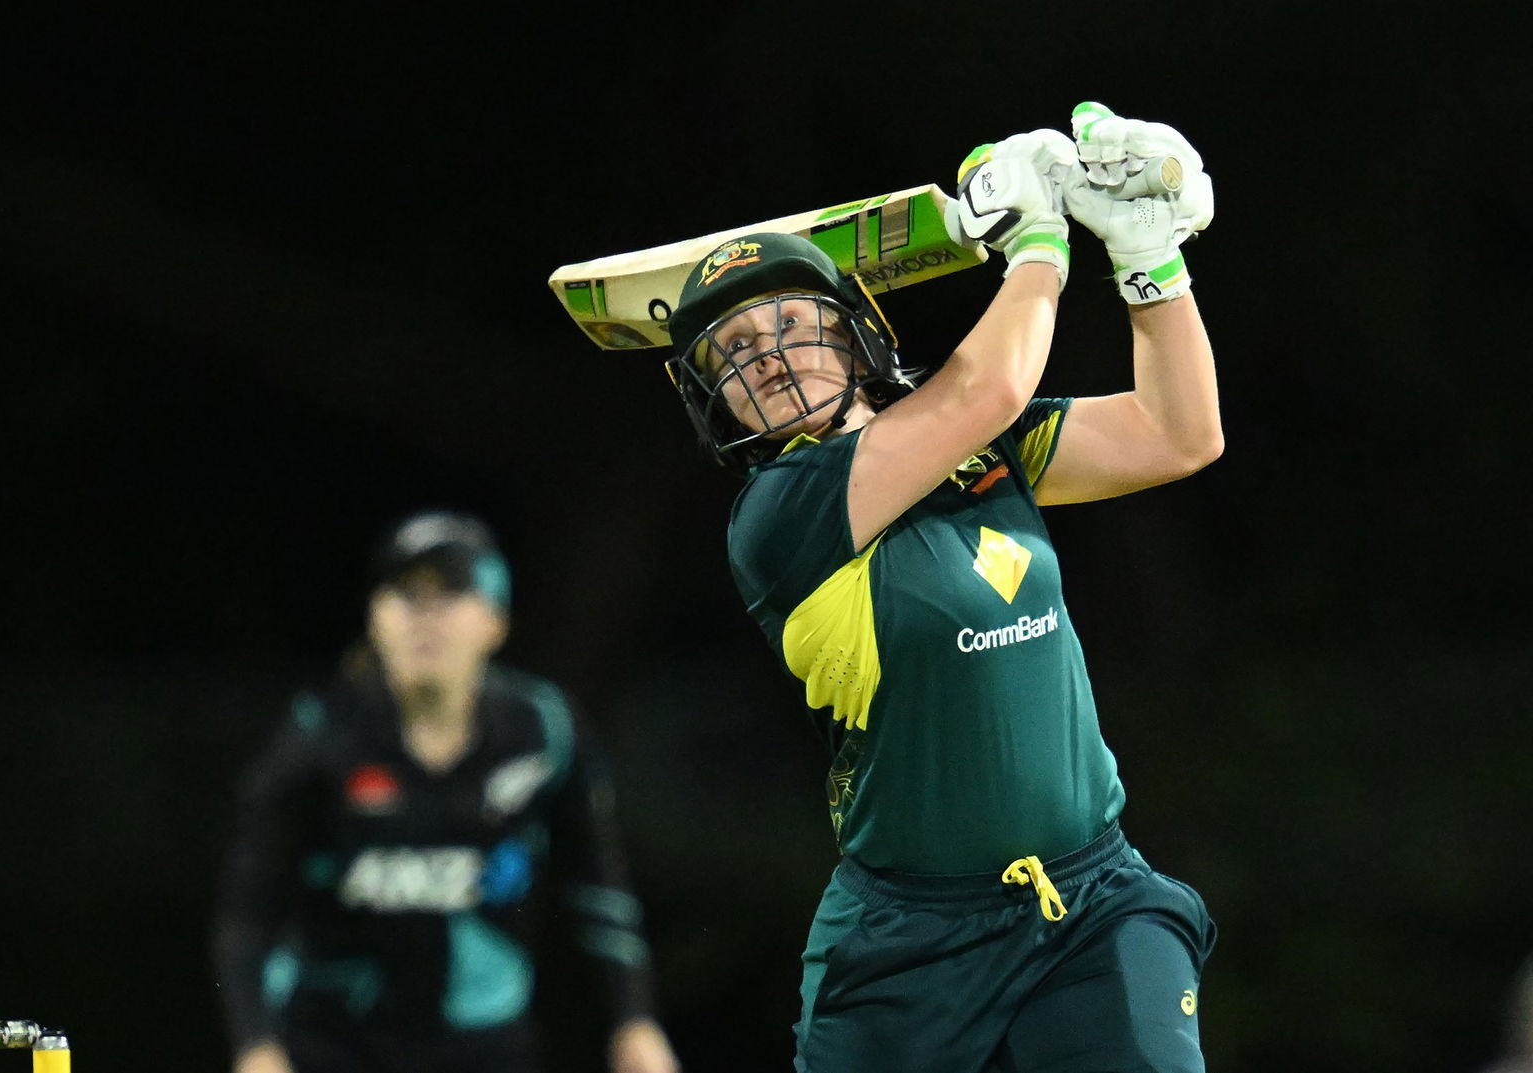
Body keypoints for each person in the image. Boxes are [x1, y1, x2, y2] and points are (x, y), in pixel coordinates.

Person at [658, 102, 1222, 1072]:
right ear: (717, 399)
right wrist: (1038, 240)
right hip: (905, 941)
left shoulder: (981, 452)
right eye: (737, 352)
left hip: (1092, 899)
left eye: (793, 325)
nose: (770, 356)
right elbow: (985, 388)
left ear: (855, 337)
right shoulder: (779, 513)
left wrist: (1145, 258)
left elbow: (1178, 433)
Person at [210, 509, 681, 1073]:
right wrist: (256, 1048)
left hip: (484, 1047)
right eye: (404, 596)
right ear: (375, 619)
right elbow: (248, 914)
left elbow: (596, 879)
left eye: (450, 595)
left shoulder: (543, 730)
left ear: (496, 620)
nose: (423, 619)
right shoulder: (319, 737)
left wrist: (635, 1022)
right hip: (332, 1046)